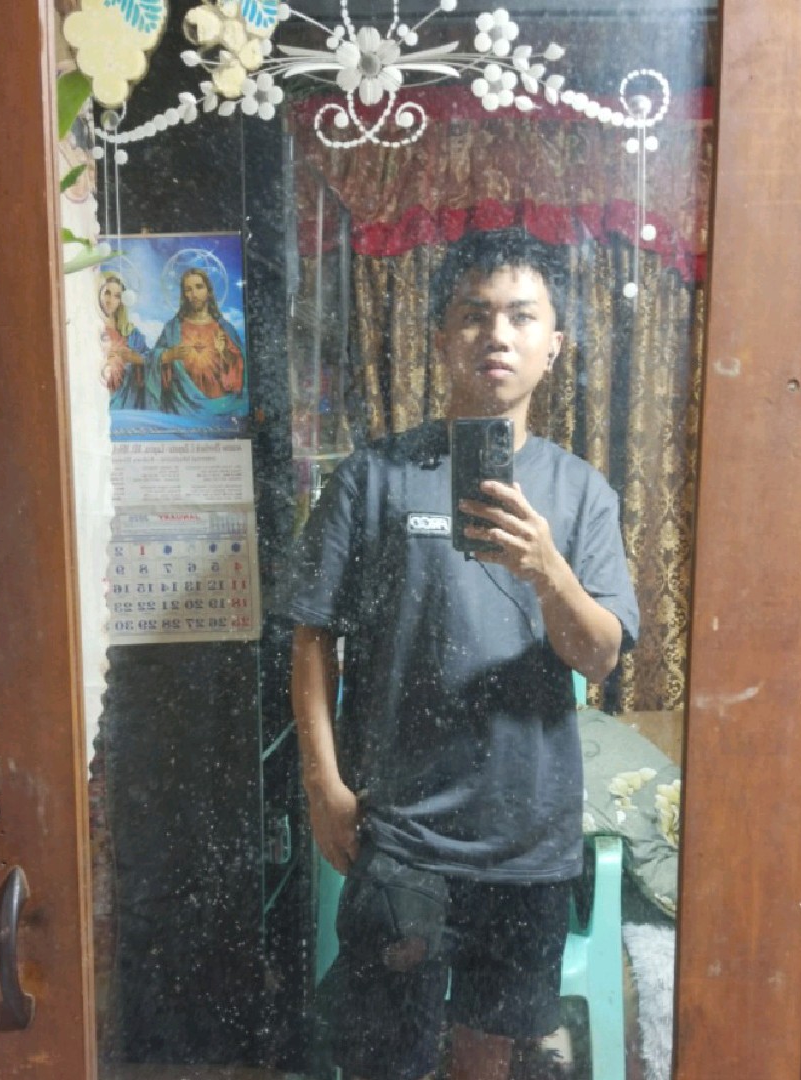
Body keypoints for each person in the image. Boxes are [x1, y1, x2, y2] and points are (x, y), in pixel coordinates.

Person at [287, 228, 640, 1080]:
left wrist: (548, 568)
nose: (497, 334)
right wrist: (323, 787)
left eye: (522, 316)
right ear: (442, 337)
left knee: (488, 1055)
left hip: (527, 837)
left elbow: (598, 657)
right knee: (384, 1058)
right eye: (475, 314)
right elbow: (313, 635)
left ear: (554, 346)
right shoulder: (374, 478)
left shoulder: (580, 493)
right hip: (401, 828)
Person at [149, 267, 248, 416]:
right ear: (184, 295)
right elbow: (151, 362)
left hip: (220, 407)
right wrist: (167, 355)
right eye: (188, 289)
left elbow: (240, 372)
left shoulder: (224, 328)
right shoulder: (172, 329)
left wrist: (225, 353)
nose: (194, 294)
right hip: (182, 407)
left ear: (208, 291)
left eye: (199, 287)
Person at [98, 273, 152, 410]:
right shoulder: (93, 326)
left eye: (117, 296)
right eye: (107, 293)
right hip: (100, 395)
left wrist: (135, 358)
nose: (110, 300)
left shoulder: (129, 332)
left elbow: (150, 357)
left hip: (128, 397)